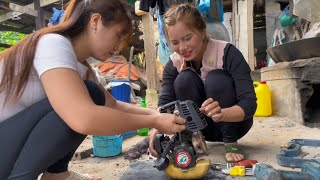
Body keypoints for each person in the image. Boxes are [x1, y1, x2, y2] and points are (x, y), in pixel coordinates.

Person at [0, 0, 186, 180]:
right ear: (95, 21)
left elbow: (112, 105)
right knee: (80, 103)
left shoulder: (82, 67)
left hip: (9, 142)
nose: (119, 45)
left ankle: (57, 175)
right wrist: (154, 120)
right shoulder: (53, 43)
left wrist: (158, 116)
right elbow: (84, 117)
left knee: (91, 95)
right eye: (118, 35)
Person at [148, 3, 257, 163]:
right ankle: (195, 138)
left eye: (188, 38)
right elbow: (165, 103)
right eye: (175, 42)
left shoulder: (228, 53)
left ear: (202, 31)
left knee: (216, 79)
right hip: (200, 129)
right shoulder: (174, 63)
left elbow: (249, 103)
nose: (183, 47)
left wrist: (222, 114)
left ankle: (230, 141)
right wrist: (155, 131)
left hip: (235, 124)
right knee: (184, 79)